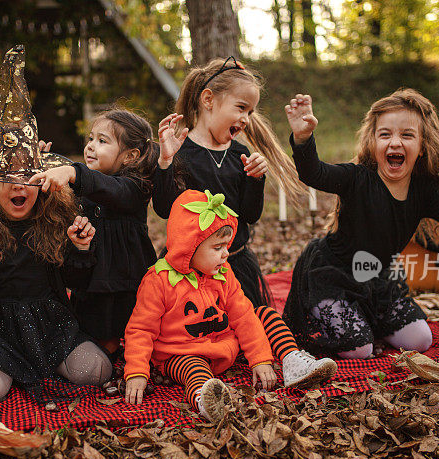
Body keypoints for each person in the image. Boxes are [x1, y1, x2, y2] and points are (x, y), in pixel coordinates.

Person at [0, 44, 113, 402]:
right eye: (5, 177)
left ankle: (37, 365)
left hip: (49, 322)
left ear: (42, 179)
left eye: (27, 176)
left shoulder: (56, 218)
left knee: (97, 370)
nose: (17, 185)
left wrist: (80, 248)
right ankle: (1, 369)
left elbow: (76, 281)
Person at [283, 89, 439, 359]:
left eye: (407, 135)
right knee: (360, 350)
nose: (395, 142)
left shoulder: (425, 190)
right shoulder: (357, 178)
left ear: (422, 146)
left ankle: (366, 322)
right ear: (373, 142)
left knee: (420, 340)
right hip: (333, 273)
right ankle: (338, 317)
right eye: (385, 134)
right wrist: (303, 137)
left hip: (376, 276)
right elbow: (314, 173)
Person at [123, 190, 337, 422]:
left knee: (262, 313)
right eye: (217, 248)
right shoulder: (158, 281)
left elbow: (243, 315)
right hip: (180, 353)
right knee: (192, 366)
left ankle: (292, 360)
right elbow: (141, 329)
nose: (226, 254)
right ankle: (205, 398)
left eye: (226, 246)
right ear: (188, 247)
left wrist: (260, 358)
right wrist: (136, 372)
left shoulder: (223, 273)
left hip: (223, 343)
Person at [151, 56, 307, 308]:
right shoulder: (180, 150)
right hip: (190, 269)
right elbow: (164, 208)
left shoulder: (239, 155)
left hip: (234, 264)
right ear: (208, 100)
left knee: (244, 331)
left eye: (250, 112)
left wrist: (256, 180)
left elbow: (250, 214)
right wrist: (165, 162)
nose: (246, 118)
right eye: (241, 107)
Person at [30, 108, 158, 359]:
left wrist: (73, 172)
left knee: (134, 322)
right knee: (92, 323)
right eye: (90, 138)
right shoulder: (85, 186)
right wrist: (44, 169)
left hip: (126, 277)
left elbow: (111, 190)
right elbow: (58, 205)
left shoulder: (136, 187)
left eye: (102, 141)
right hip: (91, 272)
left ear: (130, 156)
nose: (90, 146)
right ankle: (98, 343)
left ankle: (130, 345)